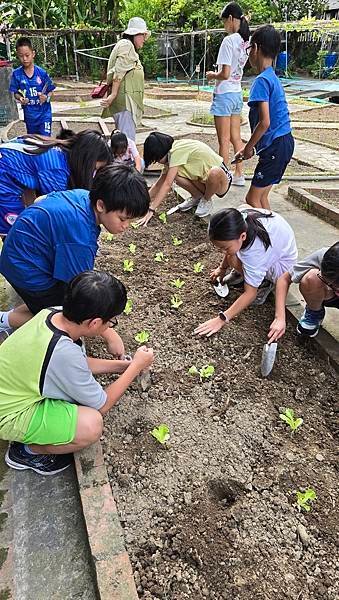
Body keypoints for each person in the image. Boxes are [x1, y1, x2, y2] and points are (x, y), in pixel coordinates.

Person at [0, 270, 154, 475]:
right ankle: (26, 452)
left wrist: (123, 366)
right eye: (111, 322)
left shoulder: (53, 314)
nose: (110, 326)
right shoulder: (63, 353)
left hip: (14, 391)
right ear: (95, 323)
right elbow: (102, 404)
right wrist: (135, 368)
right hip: (10, 414)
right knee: (90, 425)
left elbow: (77, 364)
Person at [0, 164, 150, 359]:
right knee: (62, 315)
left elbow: (41, 199)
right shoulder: (80, 238)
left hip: (19, 253)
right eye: (123, 218)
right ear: (101, 205)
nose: (126, 226)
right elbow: (80, 293)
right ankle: (14, 326)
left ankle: (5, 318)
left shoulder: (84, 196)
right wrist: (110, 335)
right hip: (25, 268)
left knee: (46, 300)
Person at [193, 207, 297, 342]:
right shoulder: (239, 218)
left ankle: (265, 282)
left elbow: (250, 293)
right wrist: (222, 268)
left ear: (242, 236)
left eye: (224, 247)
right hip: (270, 253)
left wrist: (221, 319)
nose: (221, 251)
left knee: (238, 260)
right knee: (232, 255)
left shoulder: (256, 253)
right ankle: (247, 275)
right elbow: (230, 251)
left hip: (281, 267)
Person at [0, 129, 111, 235]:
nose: (93, 175)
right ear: (86, 160)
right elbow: (53, 208)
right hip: (4, 182)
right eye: (95, 169)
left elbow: (31, 193)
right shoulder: (58, 170)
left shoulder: (58, 151)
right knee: (16, 233)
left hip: (8, 174)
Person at [233, 25, 294, 209]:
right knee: (261, 198)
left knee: (252, 199)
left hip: (276, 146)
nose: (249, 53)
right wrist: (249, 149)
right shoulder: (272, 77)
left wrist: (247, 149)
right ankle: (272, 236)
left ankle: (269, 236)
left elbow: (265, 122)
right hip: (284, 142)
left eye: (249, 48)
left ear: (256, 49)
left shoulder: (261, 81)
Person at [139, 132, 232, 224]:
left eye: (158, 160)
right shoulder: (171, 154)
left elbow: (167, 184)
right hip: (205, 182)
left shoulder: (176, 152)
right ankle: (197, 197)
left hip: (221, 183)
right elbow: (158, 184)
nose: (159, 163)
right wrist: (141, 202)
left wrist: (151, 209)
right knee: (174, 174)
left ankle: (206, 200)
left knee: (214, 172)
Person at [206, 3, 250, 186]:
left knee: (223, 141)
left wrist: (211, 75)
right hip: (237, 93)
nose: (225, 25)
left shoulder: (229, 41)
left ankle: (224, 179)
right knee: (235, 138)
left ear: (231, 19)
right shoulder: (246, 40)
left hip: (224, 94)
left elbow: (224, 73)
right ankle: (239, 174)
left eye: (225, 21)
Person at [101, 17, 150, 141]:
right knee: (127, 143)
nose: (144, 39)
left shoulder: (127, 46)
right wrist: (113, 94)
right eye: (143, 35)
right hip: (125, 102)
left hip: (126, 101)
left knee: (123, 140)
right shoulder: (126, 45)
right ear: (134, 34)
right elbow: (119, 71)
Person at [290, 243, 339, 337]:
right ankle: (314, 312)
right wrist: (279, 317)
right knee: (311, 278)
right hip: (331, 297)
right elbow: (285, 279)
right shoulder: (329, 258)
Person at [9, 37, 55, 136]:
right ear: (17, 55)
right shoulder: (16, 74)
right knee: (33, 142)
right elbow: (15, 92)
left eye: (27, 55)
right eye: (21, 56)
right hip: (30, 116)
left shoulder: (42, 73)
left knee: (45, 141)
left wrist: (46, 97)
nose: (24, 59)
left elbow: (51, 90)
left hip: (44, 115)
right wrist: (21, 98)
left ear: (33, 54)